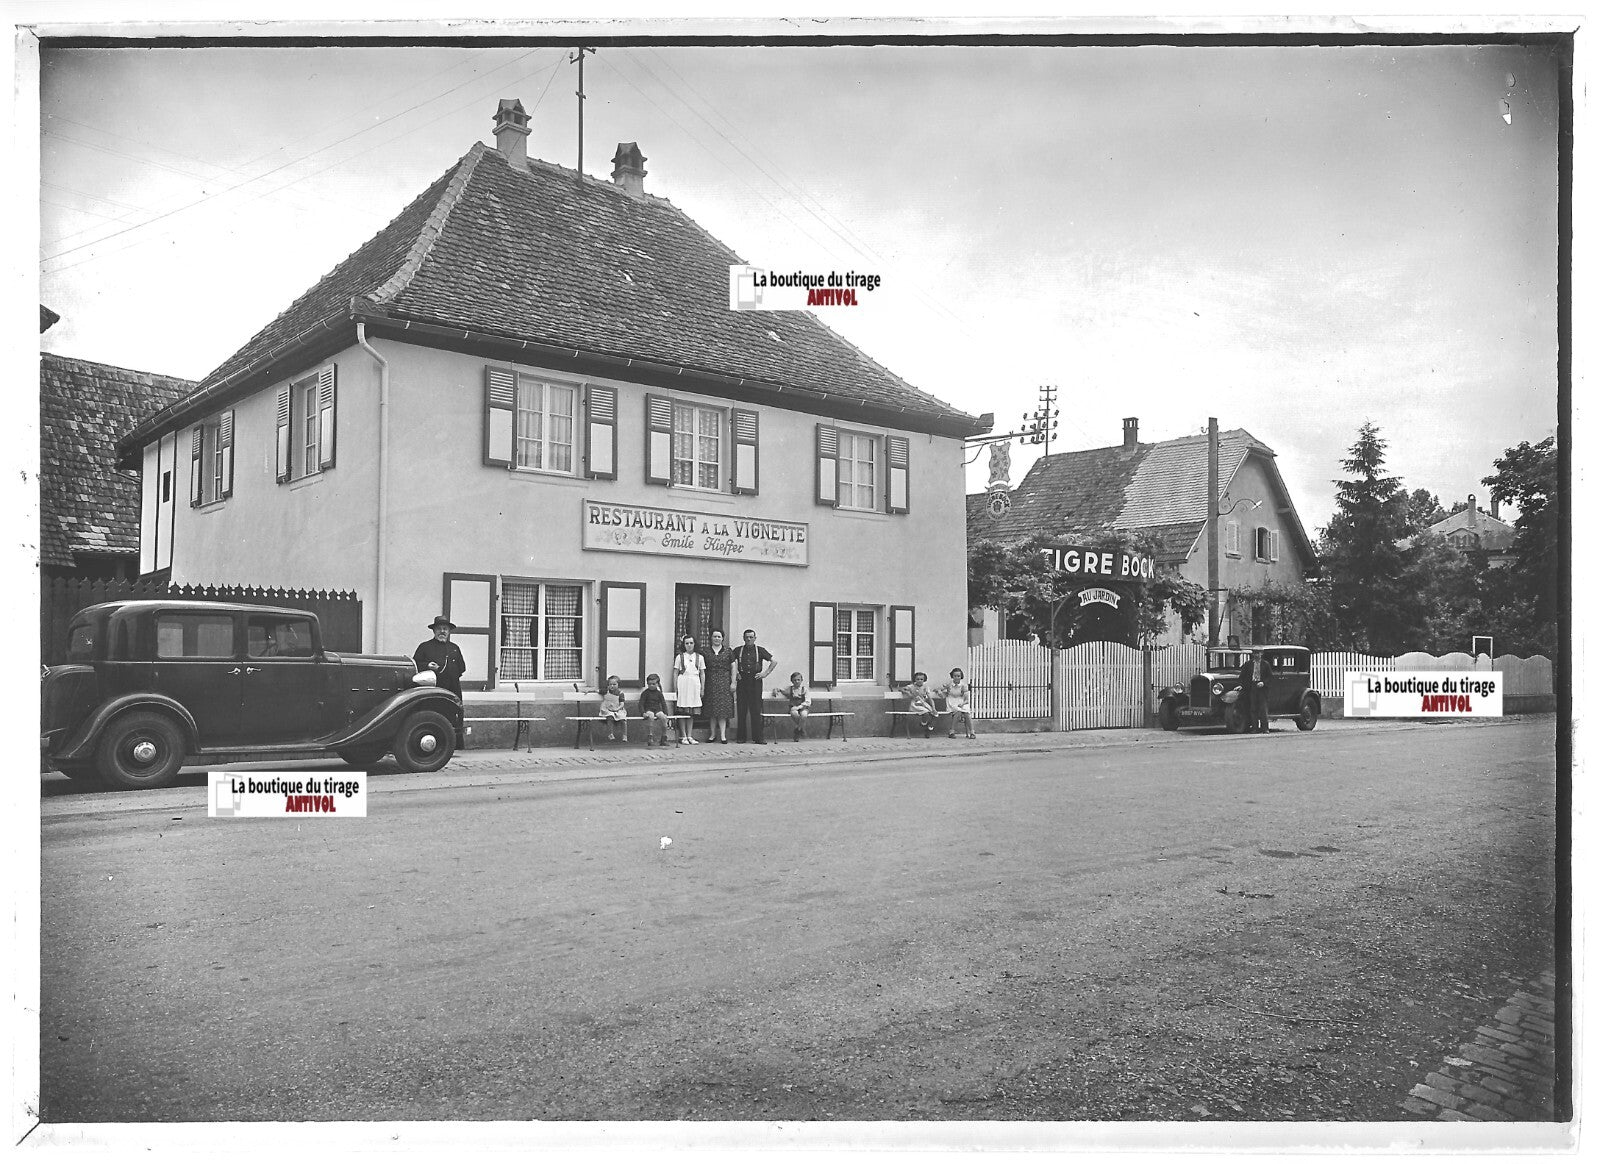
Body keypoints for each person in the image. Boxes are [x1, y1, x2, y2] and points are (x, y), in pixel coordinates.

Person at [414, 615, 466, 738]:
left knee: (452, 715)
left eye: (445, 629)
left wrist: (451, 674)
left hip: (452, 689)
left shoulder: (454, 648)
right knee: (433, 716)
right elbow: (415, 664)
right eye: (439, 629)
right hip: (432, 690)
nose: (442, 631)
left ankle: (453, 744)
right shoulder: (425, 647)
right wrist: (427, 665)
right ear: (434, 631)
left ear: (448, 632)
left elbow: (462, 668)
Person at [733, 628, 775, 744]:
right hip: (742, 681)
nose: (749, 639)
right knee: (741, 710)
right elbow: (730, 662)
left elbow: (774, 661)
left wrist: (765, 674)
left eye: (751, 637)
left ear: (755, 638)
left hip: (755, 681)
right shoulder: (738, 650)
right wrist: (736, 673)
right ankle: (741, 737)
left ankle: (758, 738)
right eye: (747, 637)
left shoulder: (760, 650)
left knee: (756, 710)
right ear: (743, 638)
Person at [702, 629, 735, 743]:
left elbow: (733, 667)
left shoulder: (728, 651)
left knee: (722, 710)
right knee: (712, 710)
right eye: (714, 636)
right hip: (710, 682)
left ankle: (723, 735)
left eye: (719, 637)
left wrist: (733, 682)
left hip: (724, 682)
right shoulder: (706, 652)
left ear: (722, 638)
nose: (717, 639)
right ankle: (712, 734)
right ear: (711, 638)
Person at [673, 635, 705, 744]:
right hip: (683, 682)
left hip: (694, 683)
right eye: (687, 643)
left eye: (691, 643)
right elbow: (675, 672)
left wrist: (702, 688)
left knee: (691, 711)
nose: (689, 645)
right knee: (683, 709)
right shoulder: (680, 657)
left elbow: (702, 673)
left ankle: (690, 735)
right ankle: (683, 735)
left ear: (694, 644)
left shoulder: (699, 657)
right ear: (684, 645)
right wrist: (675, 687)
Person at [941, 667, 976, 739]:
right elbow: (941, 691)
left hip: (961, 702)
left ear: (961, 677)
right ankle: (952, 731)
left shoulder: (964, 685)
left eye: (958, 676)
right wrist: (942, 690)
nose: (957, 678)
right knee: (958, 712)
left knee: (967, 712)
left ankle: (972, 732)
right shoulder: (949, 684)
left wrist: (962, 704)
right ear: (952, 676)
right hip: (951, 702)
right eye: (955, 676)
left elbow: (966, 699)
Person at [776, 672, 811, 741]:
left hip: (803, 707)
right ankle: (801, 729)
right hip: (793, 707)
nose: (797, 681)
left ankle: (797, 730)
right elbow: (781, 690)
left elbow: (808, 701)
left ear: (801, 680)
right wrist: (776, 690)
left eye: (798, 680)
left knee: (803, 715)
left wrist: (799, 707)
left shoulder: (805, 690)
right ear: (792, 681)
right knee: (794, 713)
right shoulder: (790, 689)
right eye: (794, 680)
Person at [902, 671, 938, 738]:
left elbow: (930, 698)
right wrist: (908, 693)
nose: (919, 681)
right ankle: (923, 723)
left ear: (924, 680)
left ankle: (929, 729)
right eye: (917, 679)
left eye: (921, 679)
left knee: (935, 715)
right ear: (915, 680)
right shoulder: (912, 686)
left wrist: (933, 708)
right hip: (915, 704)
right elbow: (902, 689)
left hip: (923, 703)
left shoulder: (925, 687)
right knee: (926, 713)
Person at [639, 673, 670, 747]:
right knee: (651, 716)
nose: (651, 686)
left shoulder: (659, 693)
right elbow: (641, 704)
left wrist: (666, 713)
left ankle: (664, 737)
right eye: (649, 684)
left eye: (653, 684)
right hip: (648, 709)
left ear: (657, 684)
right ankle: (650, 736)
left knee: (663, 717)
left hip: (657, 710)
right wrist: (643, 712)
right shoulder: (645, 693)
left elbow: (663, 703)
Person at [599, 675, 628, 742]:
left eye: (614, 684)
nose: (612, 686)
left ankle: (624, 735)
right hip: (607, 709)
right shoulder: (606, 691)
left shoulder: (620, 693)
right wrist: (588, 690)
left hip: (617, 709)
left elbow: (622, 704)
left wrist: (617, 709)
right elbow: (597, 691)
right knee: (610, 717)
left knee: (623, 718)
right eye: (610, 684)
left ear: (618, 685)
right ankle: (610, 733)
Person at [1252, 649, 1274, 733]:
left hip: (1262, 689)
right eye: (1255, 653)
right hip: (1253, 687)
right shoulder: (1249, 664)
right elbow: (1244, 676)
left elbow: (1270, 677)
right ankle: (1254, 728)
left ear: (1261, 654)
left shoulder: (1265, 664)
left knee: (1263, 709)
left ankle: (1265, 728)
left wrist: (1263, 683)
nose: (1256, 655)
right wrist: (1241, 685)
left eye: (1258, 653)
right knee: (1253, 708)